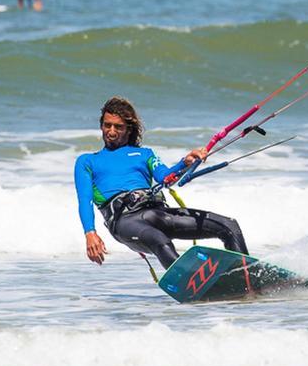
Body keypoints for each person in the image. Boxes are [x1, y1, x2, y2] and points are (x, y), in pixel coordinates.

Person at [74, 96, 249, 269]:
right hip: (125, 221)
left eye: (118, 127)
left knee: (228, 225)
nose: (111, 131)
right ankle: (191, 282)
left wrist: (185, 162)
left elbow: (165, 177)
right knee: (159, 240)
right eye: (107, 125)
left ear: (129, 129)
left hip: (157, 212)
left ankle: (246, 276)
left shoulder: (145, 154)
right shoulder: (87, 161)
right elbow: (85, 200)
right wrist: (90, 232)